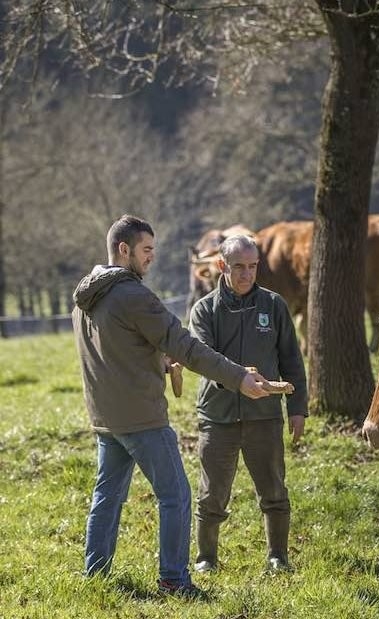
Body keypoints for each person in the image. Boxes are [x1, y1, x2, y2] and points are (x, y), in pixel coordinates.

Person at [72, 215, 271, 598]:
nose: (151, 258)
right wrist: (239, 378)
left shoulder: (85, 296)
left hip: (105, 418)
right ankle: (174, 580)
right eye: (146, 250)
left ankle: (94, 574)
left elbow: (112, 350)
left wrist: (156, 362)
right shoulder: (133, 295)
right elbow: (187, 346)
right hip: (142, 418)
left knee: (107, 496)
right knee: (176, 495)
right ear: (124, 249)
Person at [188, 233, 308, 573]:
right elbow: (203, 358)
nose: (246, 274)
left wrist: (298, 407)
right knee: (212, 494)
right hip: (218, 415)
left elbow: (291, 360)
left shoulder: (274, 305)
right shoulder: (204, 310)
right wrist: (238, 381)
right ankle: (206, 558)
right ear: (222, 266)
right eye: (238, 266)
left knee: (274, 489)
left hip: (265, 415)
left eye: (252, 266)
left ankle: (277, 557)